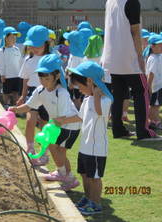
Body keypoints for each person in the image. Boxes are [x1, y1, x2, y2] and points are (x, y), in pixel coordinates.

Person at [10, 54, 82, 191]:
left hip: (70, 125)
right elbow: (30, 105)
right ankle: (64, 174)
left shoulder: (61, 93)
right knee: (58, 151)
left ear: (56, 76)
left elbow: (62, 118)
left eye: (47, 78)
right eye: (41, 77)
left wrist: (49, 130)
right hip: (58, 124)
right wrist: (15, 109)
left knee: (56, 149)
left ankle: (68, 178)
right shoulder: (40, 90)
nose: (43, 81)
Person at [101, 0, 162, 141]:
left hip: (111, 58)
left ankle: (118, 130)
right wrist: (140, 56)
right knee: (142, 92)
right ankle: (143, 131)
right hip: (129, 58)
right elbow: (135, 31)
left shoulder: (110, 2)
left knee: (117, 96)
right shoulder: (132, 2)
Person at [68, 61, 113, 215]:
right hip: (85, 147)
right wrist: (62, 120)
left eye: (80, 85)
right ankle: (88, 198)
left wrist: (97, 95)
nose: (79, 89)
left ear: (90, 81)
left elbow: (100, 113)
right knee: (84, 174)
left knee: (94, 178)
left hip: (97, 149)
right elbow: (80, 118)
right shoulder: (87, 100)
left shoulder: (105, 100)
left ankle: (96, 203)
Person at [17, 25, 51, 166]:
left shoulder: (51, 59)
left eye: (38, 45)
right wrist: (23, 95)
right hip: (32, 93)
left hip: (48, 94)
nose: (35, 49)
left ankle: (44, 151)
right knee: (30, 121)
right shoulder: (28, 60)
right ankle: (29, 148)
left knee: (44, 126)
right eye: (32, 45)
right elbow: (25, 79)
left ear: (46, 44)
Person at [145, 34, 162, 130]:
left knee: (157, 105)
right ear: (152, 46)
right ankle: (155, 122)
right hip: (155, 87)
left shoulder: (159, 56)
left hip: (159, 86)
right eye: (160, 45)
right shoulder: (154, 58)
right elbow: (151, 74)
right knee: (154, 106)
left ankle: (152, 122)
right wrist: (149, 87)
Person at [0, 27, 22, 107]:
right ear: (6, 38)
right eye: (12, 37)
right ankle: (6, 104)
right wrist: (2, 74)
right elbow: (0, 63)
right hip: (7, 76)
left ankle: (16, 106)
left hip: (17, 75)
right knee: (6, 92)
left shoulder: (17, 49)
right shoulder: (2, 50)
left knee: (16, 92)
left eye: (15, 37)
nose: (14, 39)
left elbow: (20, 62)